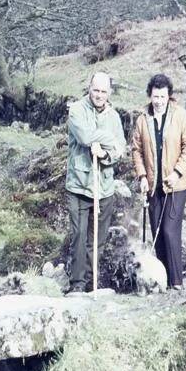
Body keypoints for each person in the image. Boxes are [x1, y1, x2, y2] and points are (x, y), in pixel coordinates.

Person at [131, 73, 186, 290]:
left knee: (169, 230)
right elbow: (137, 150)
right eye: (155, 96)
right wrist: (142, 176)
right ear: (150, 95)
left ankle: (177, 281)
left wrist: (177, 172)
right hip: (152, 186)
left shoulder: (180, 116)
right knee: (157, 234)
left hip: (176, 185)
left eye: (162, 96)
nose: (158, 101)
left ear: (169, 96)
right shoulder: (142, 119)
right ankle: (163, 280)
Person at [65, 72, 126, 293]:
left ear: (109, 93)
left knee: (97, 240)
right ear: (89, 88)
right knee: (79, 237)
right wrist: (107, 140)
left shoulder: (115, 117)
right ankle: (77, 285)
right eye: (95, 90)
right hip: (80, 185)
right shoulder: (76, 110)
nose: (99, 95)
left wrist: (105, 155)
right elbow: (84, 137)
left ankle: (92, 284)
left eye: (103, 91)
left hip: (104, 187)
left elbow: (121, 150)